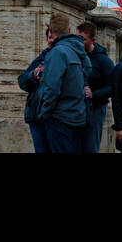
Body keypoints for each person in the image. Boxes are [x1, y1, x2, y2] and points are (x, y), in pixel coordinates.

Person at [37, 13, 91, 153]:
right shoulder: (77, 50)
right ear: (68, 30)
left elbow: (52, 88)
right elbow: (88, 69)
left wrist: (44, 113)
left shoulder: (57, 53)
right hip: (77, 115)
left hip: (60, 118)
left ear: (51, 31)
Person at [75, 22, 114, 153]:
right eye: (77, 38)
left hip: (95, 109)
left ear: (93, 40)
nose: (79, 42)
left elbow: (113, 87)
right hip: (76, 107)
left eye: (83, 39)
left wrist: (94, 94)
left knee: (91, 146)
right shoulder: (75, 56)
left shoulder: (104, 61)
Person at [18, 26, 54, 153]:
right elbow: (21, 81)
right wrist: (33, 75)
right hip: (36, 115)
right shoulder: (41, 58)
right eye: (50, 37)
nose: (51, 41)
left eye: (54, 37)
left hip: (54, 116)